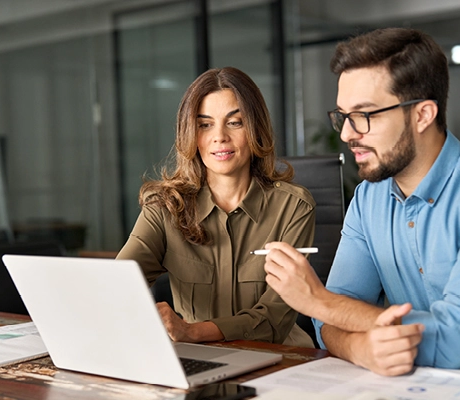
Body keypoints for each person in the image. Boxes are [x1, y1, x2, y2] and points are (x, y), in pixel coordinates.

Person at [262, 28, 460, 377]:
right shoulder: (369, 199)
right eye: (342, 116)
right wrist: (359, 348)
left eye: (365, 115)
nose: (347, 134)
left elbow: (449, 342)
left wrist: (317, 300)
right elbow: (330, 324)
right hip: (436, 387)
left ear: (423, 115)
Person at [116, 67, 315, 348]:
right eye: (205, 124)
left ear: (255, 128)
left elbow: (274, 316)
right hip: (196, 358)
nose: (219, 137)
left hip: (279, 357)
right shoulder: (164, 207)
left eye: (235, 122)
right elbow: (119, 282)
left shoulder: (293, 207)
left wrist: (193, 332)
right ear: (190, 133)